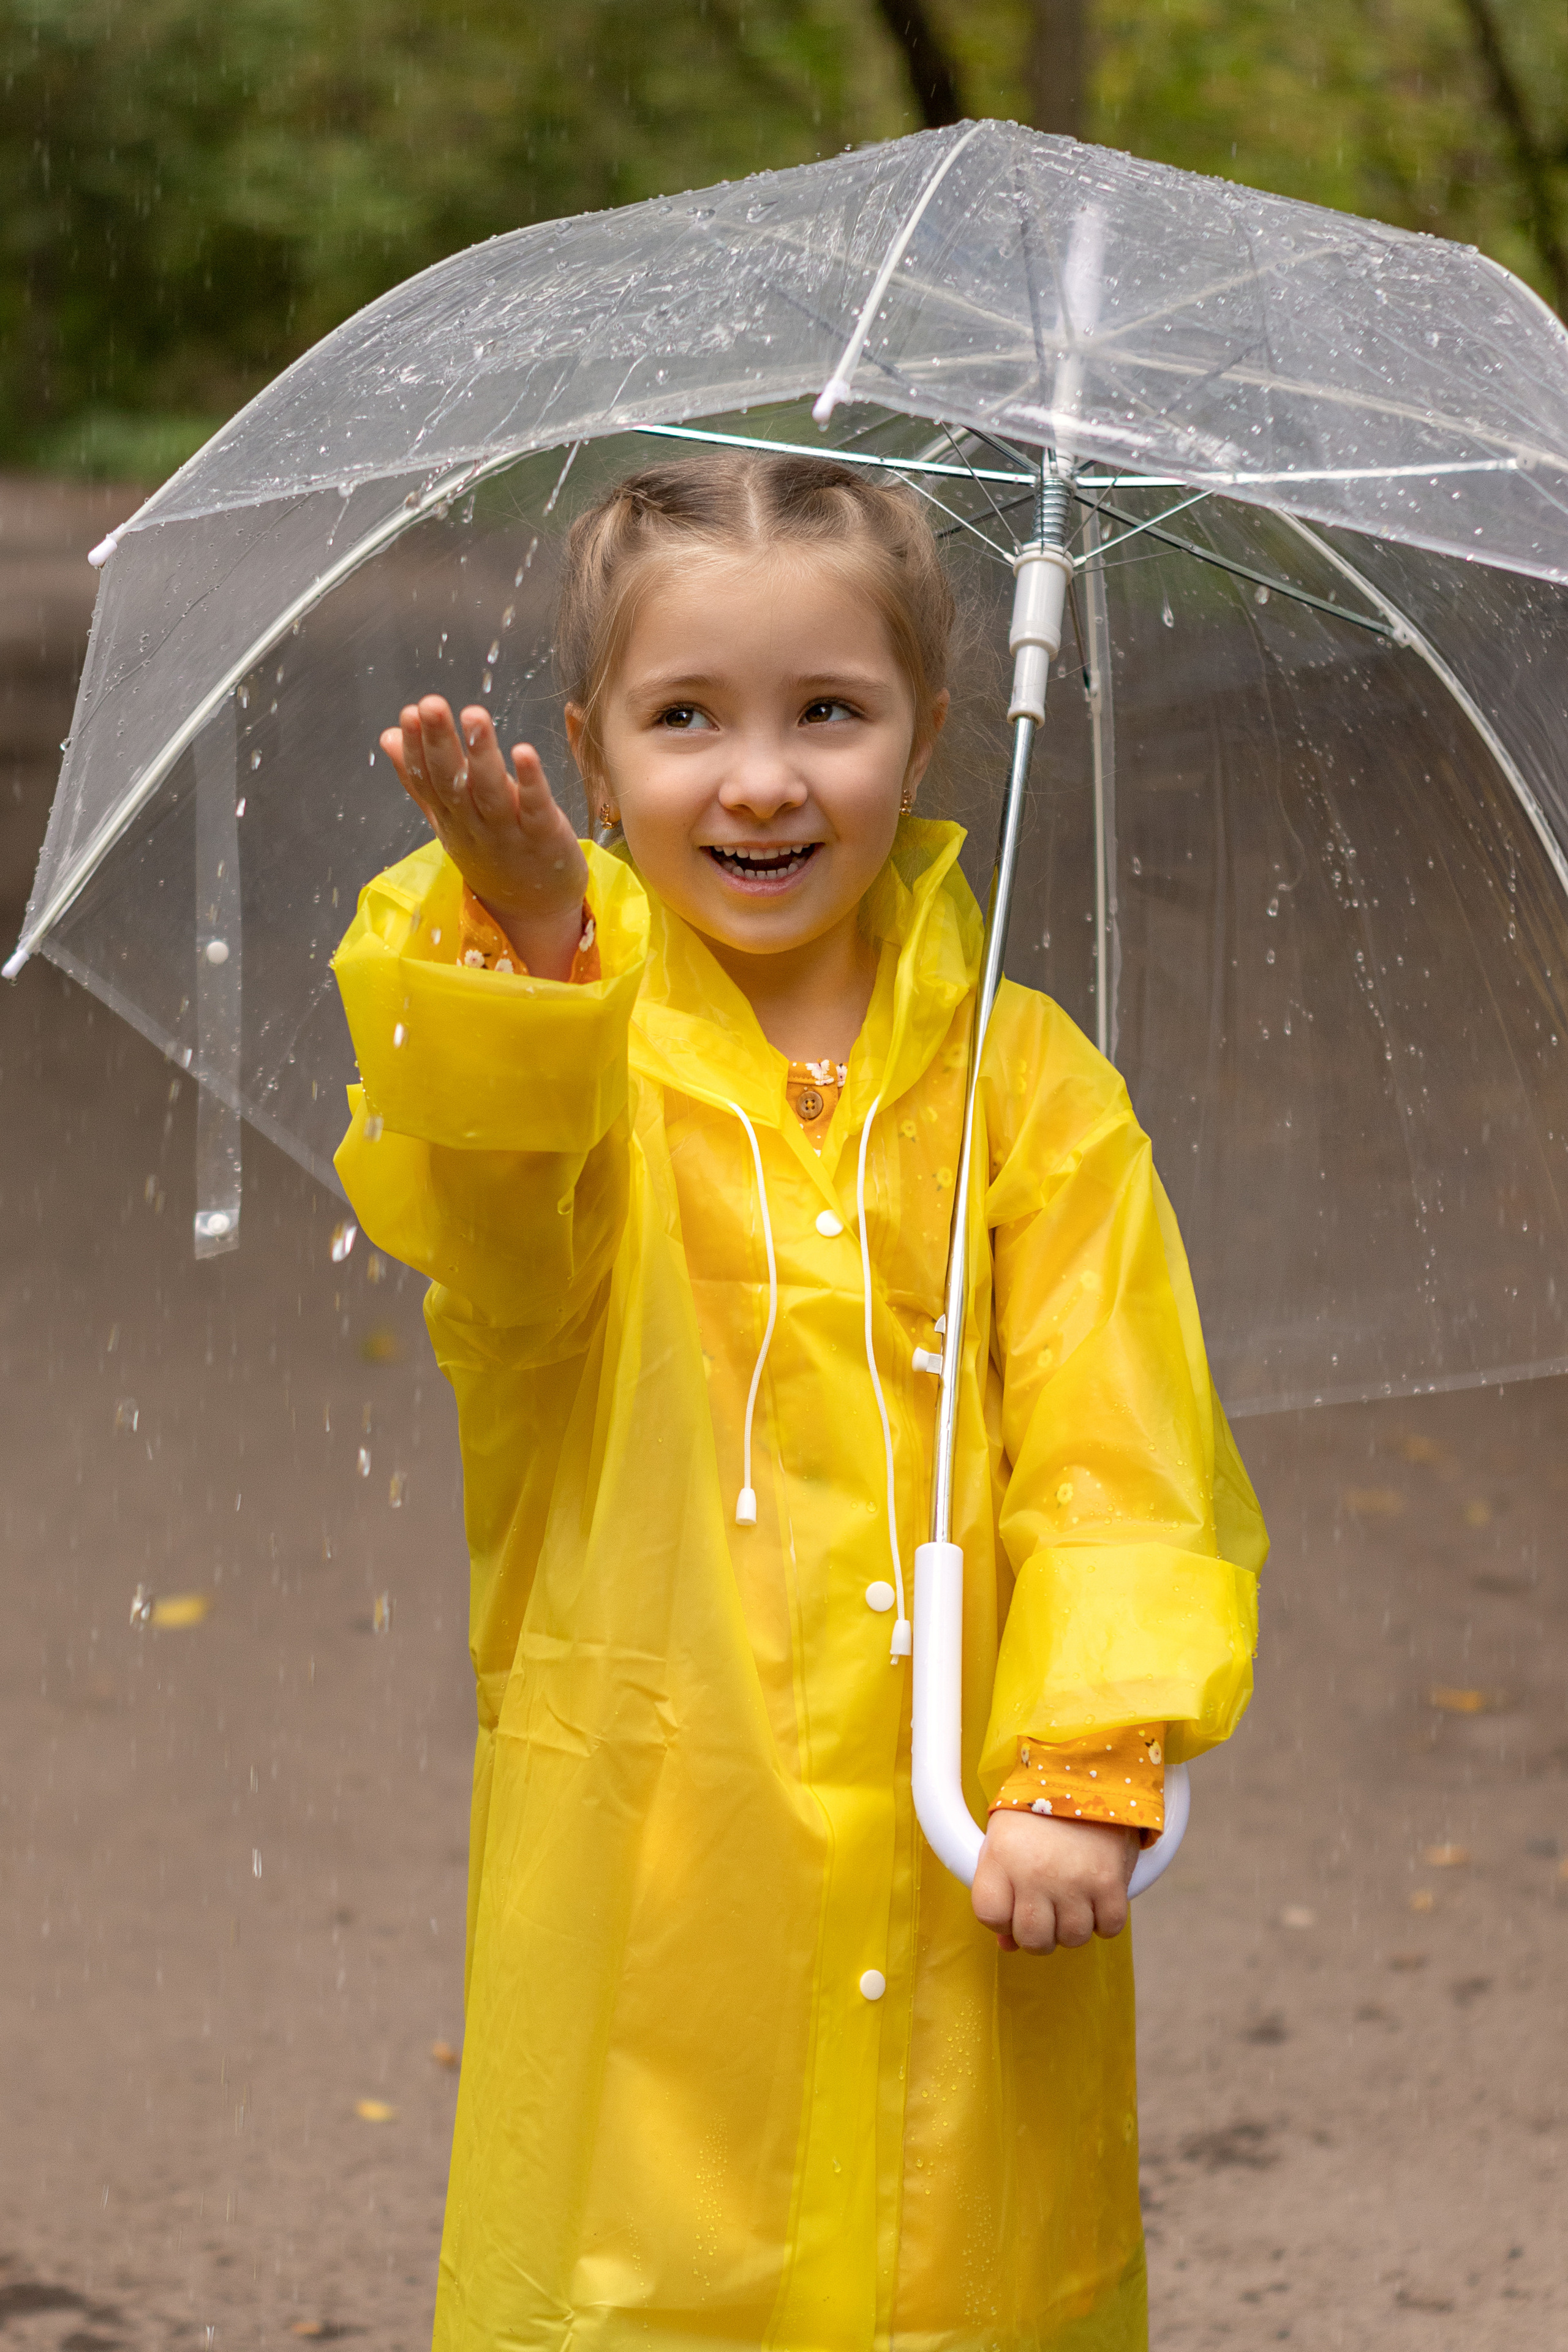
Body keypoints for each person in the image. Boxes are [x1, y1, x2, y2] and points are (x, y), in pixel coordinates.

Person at [332, 451, 1265, 2352]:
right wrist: (532, 945)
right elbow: (496, 1250)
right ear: (592, 761)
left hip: (965, 1856)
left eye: (828, 712)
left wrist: (1086, 1756)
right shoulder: (580, 1061)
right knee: (643, 2285)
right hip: (662, 1860)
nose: (761, 780)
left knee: (960, 2281)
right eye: (687, 719)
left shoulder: (1026, 1089)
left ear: (926, 737)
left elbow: (1123, 1451)